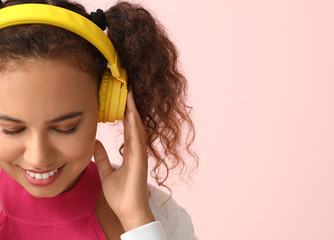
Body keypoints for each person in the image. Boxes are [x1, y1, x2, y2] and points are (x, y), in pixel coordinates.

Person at [0, 0, 198, 239]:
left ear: (107, 106)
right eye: (10, 129)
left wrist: (137, 220)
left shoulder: (160, 217)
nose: (38, 158)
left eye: (66, 128)